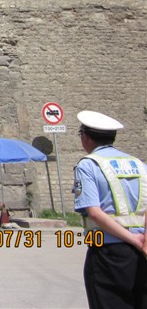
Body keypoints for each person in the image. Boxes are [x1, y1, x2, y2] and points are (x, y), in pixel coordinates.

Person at [73, 110, 147, 309]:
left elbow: (94, 212)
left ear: (85, 137)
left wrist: (132, 239)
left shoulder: (88, 165)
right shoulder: (138, 164)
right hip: (142, 250)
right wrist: (143, 241)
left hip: (106, 251)